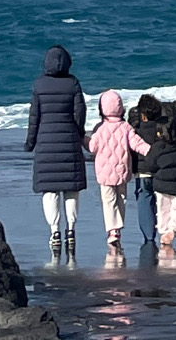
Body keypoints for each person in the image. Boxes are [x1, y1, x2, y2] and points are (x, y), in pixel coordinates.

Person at [22, 43, 88, 255]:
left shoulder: (39, 85)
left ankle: (54, 232)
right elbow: (80, 113)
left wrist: (30, 142)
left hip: (46, 143)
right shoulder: (73, 83)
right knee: (71, 190)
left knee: (49, 192)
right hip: (69, 141)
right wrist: (78, 135)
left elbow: (34, 117)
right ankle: (71, 229)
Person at [84, 89, 147, 252]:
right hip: (122, 170)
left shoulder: (99, 128)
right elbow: (137, 144)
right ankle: (118, 228)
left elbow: (92, 147)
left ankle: (112, 230)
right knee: (121, 199)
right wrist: (153, 150)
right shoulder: (125, 127)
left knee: (108, 201)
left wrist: (81, 138)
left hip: (104, 173)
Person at [140, 106, 176, 259]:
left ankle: (164, 231)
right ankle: (173, 229)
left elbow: (151, 164)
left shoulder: (158, 147)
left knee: (163, 209)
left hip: (161, 184)